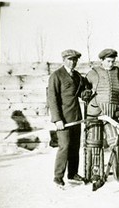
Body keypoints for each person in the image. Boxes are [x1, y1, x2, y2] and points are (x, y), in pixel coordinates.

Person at [84, 48, 119, 185]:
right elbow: (83, 86)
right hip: (95, 112)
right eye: (108, 61)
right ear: (102, 60)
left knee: (117, 142)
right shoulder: (94, 72)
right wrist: (86, 92)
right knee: (95, 143)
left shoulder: (118, 72)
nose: (111, 64)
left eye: (113, 61)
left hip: (112, 114)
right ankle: (95, 174)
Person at [47, 49, 88, 187]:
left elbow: (81, 93)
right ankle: (58, 177)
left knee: (75, 147)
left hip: (76, 117)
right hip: (63, 120)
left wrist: (86, 93)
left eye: (75, 60)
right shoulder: (56, 76)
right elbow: (52, 99)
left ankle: (72, 174)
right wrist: (57, 119)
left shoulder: (77, 76)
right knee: (64, 147)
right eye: (70, 60)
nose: (73, 62)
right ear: (63, 60)